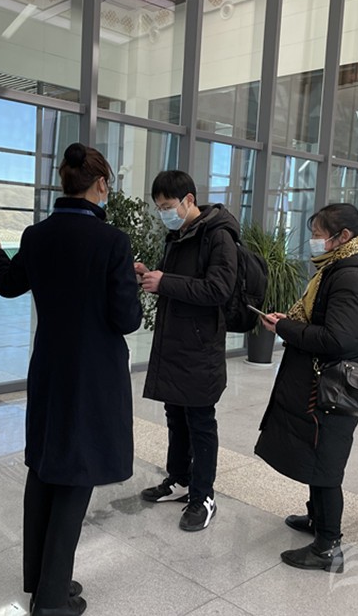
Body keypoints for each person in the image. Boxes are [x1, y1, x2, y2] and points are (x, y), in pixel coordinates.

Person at [0, 143, 142, 616]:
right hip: (94, 375)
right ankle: (50, 601)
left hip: (49, 367)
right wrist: (128, 280)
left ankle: (43, 579)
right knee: (76, 476)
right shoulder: (112, 242)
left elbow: (10, 284)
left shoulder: (37, 235)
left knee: (46, 468)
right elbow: (126, 319)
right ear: (100, 184)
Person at [255, 204, 358, 573]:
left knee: (326, 464)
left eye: (318, 234)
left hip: (333, 387)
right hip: (326, 382)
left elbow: (337, 338)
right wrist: (290, 324)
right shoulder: (341, 268)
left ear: (342, 237)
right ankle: (316, 519)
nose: (314, 241)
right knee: (316, 455)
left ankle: (327, 546)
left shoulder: (353, 277)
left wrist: (284, 328)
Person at [136, 170, 238, 531]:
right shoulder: (178, 235)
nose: (163, 212)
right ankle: (179, 480)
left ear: (189, 200)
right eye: (159, 207)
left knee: (200, 421)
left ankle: (203, 496)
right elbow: (178, 283)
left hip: (200, 347)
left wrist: (166, 282)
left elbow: (218, 290)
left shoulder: (218, 236)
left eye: (167, 206)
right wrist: (152, 275)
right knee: (175, 415)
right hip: (175, 341)